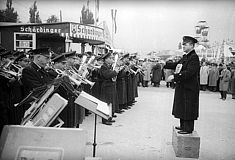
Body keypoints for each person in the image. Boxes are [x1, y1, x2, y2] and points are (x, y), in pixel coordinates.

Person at [166, 36, 200, 134]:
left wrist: (174, 77)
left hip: (189, 88)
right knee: (182, 106)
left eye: (185, 44)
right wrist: (166, 64)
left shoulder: (194, 57)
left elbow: (189, 72)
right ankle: (183, 125)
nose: (183, 46)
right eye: (183, 44)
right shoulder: (186, 56)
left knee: (188, 107)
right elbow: (177, 65)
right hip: (183, 87)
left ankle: (188, 128)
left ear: (192, 45)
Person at [99, 52, 119, 125]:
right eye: (110, 58)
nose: (112, 60)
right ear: (106, 59)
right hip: (106, 87)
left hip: (110, 86)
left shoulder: (109, 66)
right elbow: (107, 75)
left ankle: (109, 117)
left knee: (110, 102)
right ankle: (105, 119)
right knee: (106, 103)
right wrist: (115, 72)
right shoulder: (103, 67)